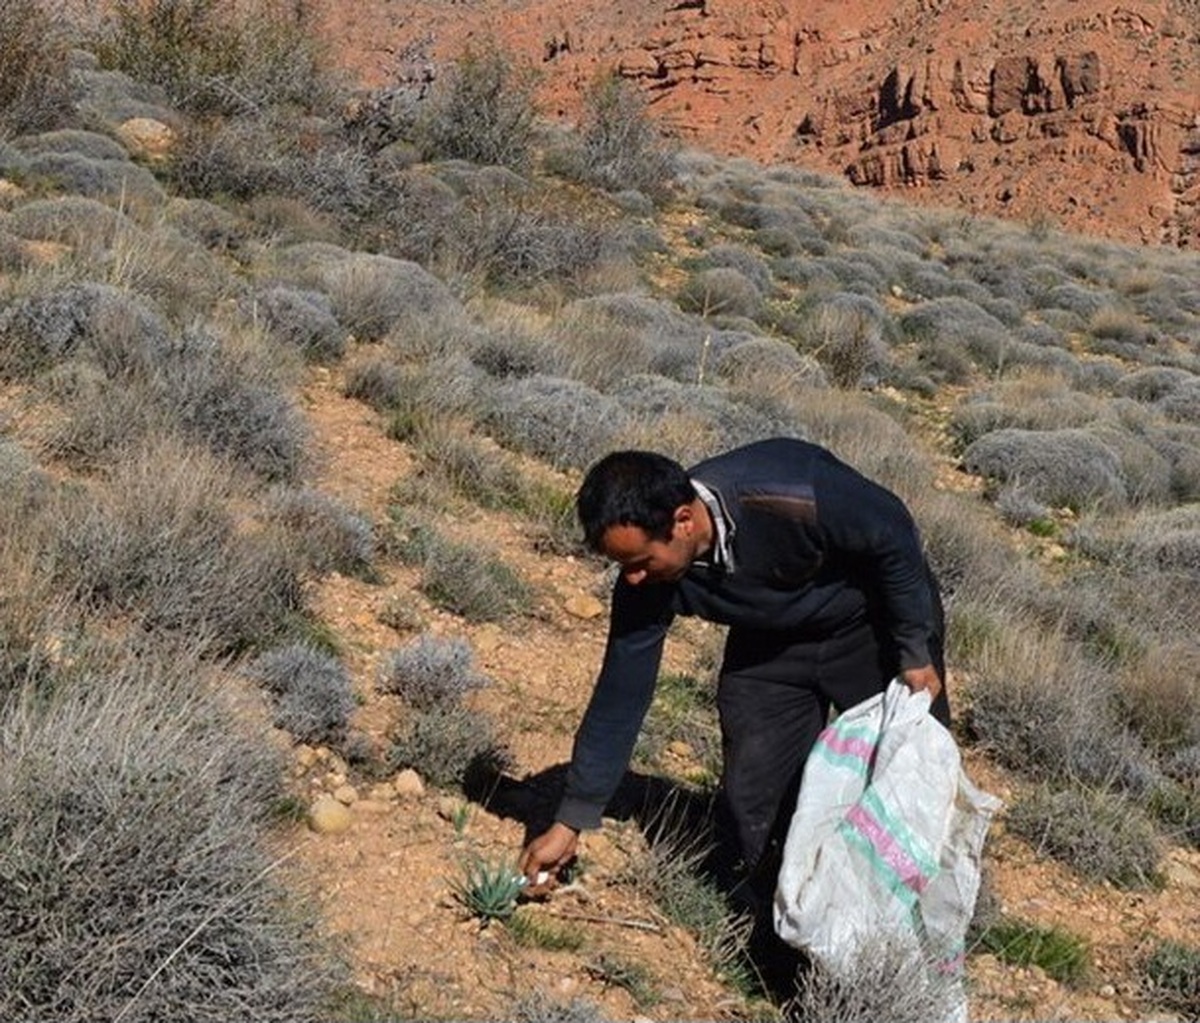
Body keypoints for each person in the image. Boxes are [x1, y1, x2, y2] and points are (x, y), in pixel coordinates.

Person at [518, 437, 950, 976]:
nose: (631, 579)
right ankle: (793, 943)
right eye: (621, 565)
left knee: (903, 779)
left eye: (640, 561)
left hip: (872, 624)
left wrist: (913, 648)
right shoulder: (645, 581)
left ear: (682, 520)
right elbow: (620, 697)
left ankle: (911, 949)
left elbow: (891, 533)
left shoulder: (789, 495)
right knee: (756, 791)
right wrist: (572, 819)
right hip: (771, 640)